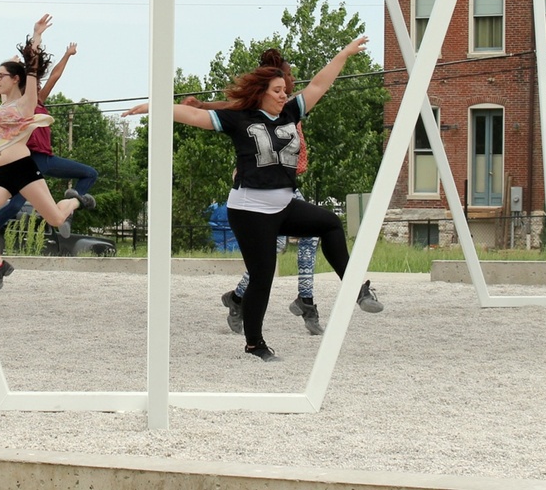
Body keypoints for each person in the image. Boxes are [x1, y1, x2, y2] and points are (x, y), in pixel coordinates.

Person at [123, 36, 379, 361]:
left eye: (285, 89)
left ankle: (355, 287)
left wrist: (343, 53)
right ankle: (255, 344)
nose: (284, 94)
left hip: (284, 205)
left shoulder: (290, 112)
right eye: (277, 91)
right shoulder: (239, 118)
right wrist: (151, 106)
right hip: (250, 210)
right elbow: (191, 117)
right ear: (261, 93)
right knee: (263, 276)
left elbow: (318, 85)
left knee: (329, 223)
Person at [185, 50, 325, 336]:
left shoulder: (288, 103)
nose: (292, 79)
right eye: (288, 74)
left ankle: (249, 298)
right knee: (275, 248)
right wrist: (201, 106)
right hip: (259, 189)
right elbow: (232, 106)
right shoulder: (262, 104)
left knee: (295, 240)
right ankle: (293, 300)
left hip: (282, 186)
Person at [0, 15, 91, 295]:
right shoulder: (3, 103)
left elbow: (33, 68)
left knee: (57, 220)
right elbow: (6, 74)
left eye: (1, 76)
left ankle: (75, 203)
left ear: (16, 79)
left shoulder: (26, 103)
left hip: (22, 169)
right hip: (0, 175)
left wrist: (36, 36)